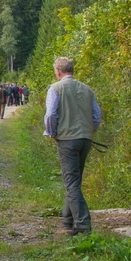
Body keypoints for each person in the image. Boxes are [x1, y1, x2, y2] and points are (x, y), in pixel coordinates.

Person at [44, 57, 101, 236]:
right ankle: (67, 219)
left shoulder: (55, 89)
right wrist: (89, 130)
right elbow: (97, 115)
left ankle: (83, 225)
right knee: (75, 181)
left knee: (71, 182)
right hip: (85, 139)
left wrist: (52, 133)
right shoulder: (87, 89)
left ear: (58, 71)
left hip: (67, 140)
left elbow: (51, 115)